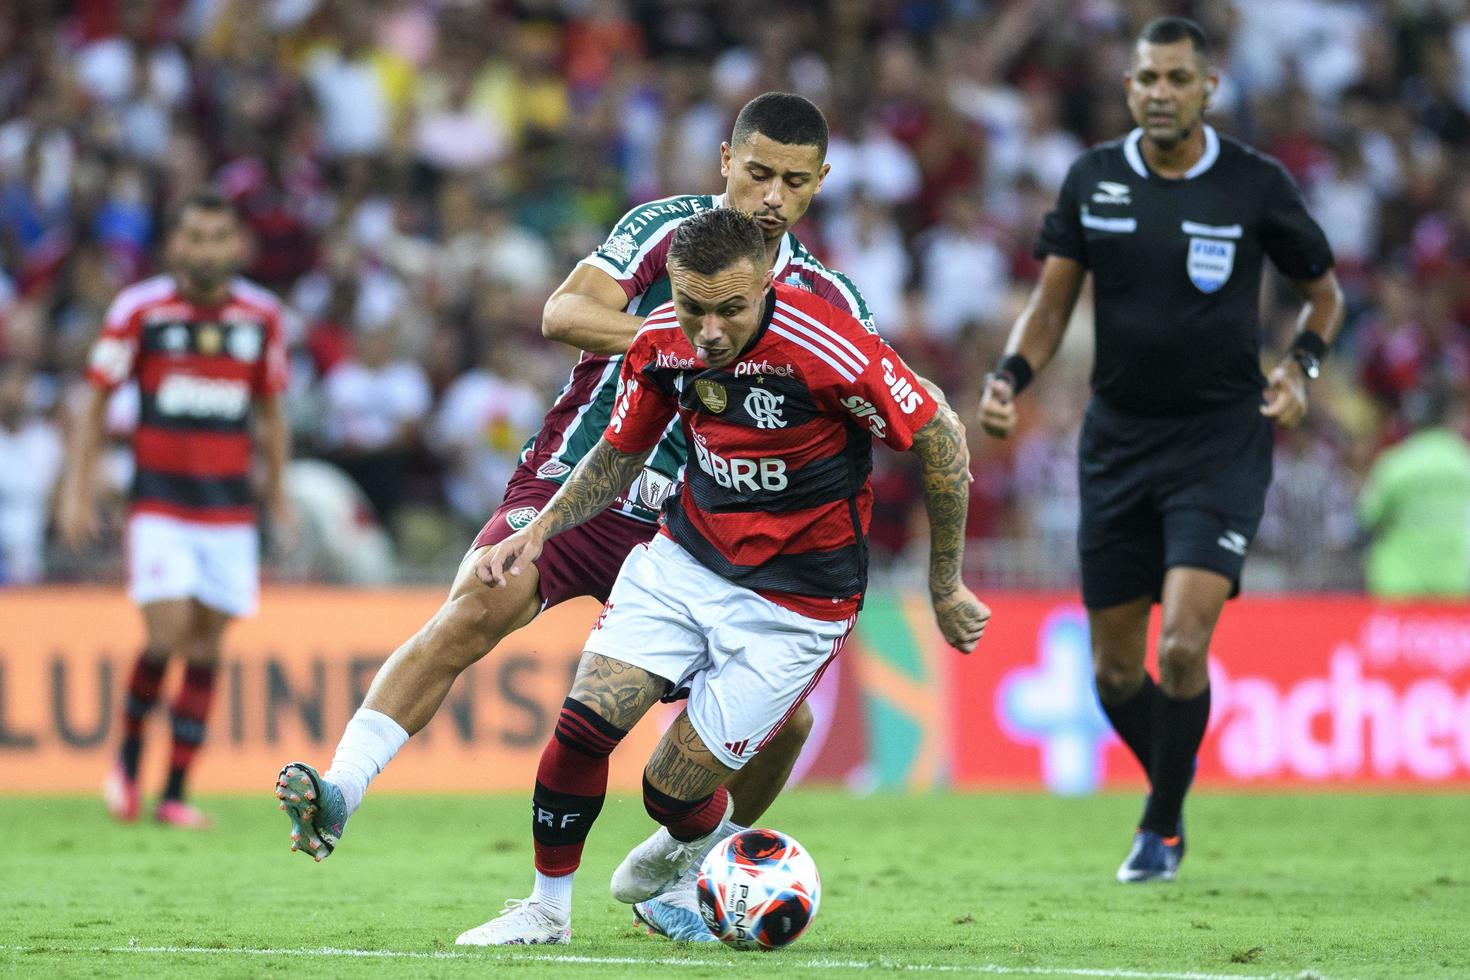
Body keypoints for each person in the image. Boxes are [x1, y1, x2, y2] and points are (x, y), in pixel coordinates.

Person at [274, 93, 951, 940]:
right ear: (724, 162)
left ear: (819, 184)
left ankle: (683, 868)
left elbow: (872, 419)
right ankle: (343, 788)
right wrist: (688, 337)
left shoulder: (829, 298)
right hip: (588, 478)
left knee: (792, 723)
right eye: (756, 172)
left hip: (710, 520)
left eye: (792, 180)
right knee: (477, 604)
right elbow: (563, 313)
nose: (771, 195)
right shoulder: (664, 230)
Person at [453, 207, 986, 945]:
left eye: (730, 310)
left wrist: (945, 582)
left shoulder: (829, 346)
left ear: (767, 284)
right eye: (693, 307)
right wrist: (539, 531)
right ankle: (545, 909)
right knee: (582, 729)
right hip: (686, 559)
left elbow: (939, 437)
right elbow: (617, 453)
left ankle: (692, 849)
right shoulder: (661, 341)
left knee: (669, 790)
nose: (708, 331)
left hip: (799, 600)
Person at [977, 17, 1344, 882]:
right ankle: (1174, 783)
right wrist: (1010, 373)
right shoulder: (1093, 179)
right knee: (1113, 670)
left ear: (1208, 87)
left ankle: (1161, 823)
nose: (1161, 92)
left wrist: (1301, 367)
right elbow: (1053, 301)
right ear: (1131, 86)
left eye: (1178, 78)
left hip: (1220, 440)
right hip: (1116, 444)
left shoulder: (1254, 185)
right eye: (1147, 78)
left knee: (1181, 646)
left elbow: (1323, 296)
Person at [58, 190, 292, 828]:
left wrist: (279, 494)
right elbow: (95, 401)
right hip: (159, 503)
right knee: (166, 635)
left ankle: (174, 793)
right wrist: (76, 491)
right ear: (176, 245)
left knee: (209, 648)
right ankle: (127, 768)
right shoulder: (140, 310)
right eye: (196, 237)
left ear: (236, 246)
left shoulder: (261, 317)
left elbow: (271, 412)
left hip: (229, 510)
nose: (207, 249)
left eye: (220, 237)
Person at [1358, 384, 1470, 598]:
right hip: (1455, 585)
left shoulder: (1396, 464)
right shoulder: (1465, 463)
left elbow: (1366, 516)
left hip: (1400, 586)